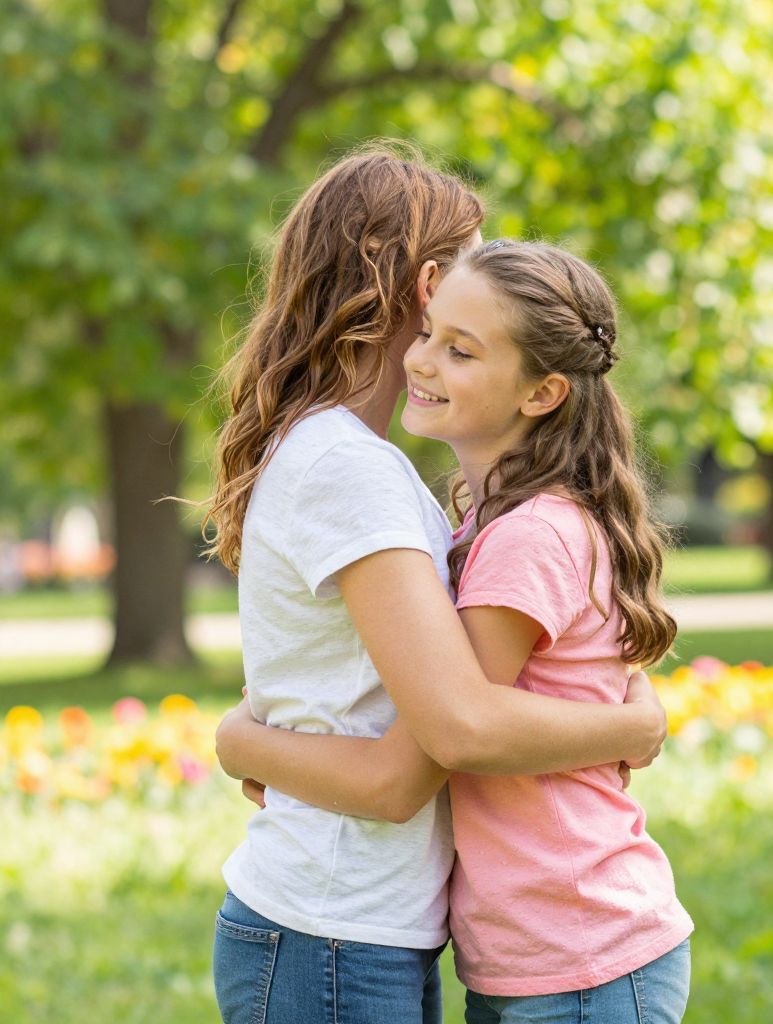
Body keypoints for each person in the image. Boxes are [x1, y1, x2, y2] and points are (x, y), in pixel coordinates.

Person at [205, 151, 668, 1024]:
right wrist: (632, 727)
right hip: (333, 927)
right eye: (474, 263)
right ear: (428, 284)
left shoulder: (353, 460)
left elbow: (344, 687)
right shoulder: (349, 467)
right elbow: (427, 751)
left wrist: (258, 741)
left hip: (352, 925)